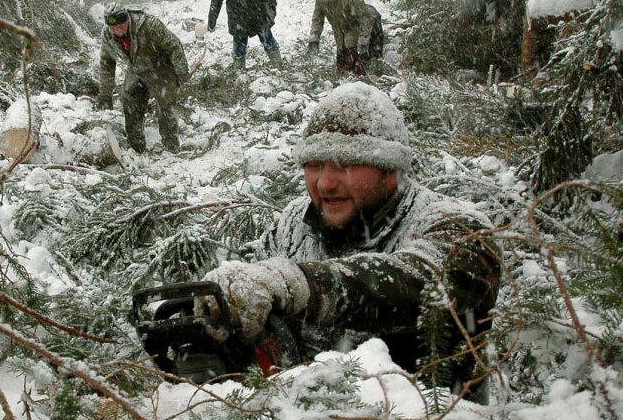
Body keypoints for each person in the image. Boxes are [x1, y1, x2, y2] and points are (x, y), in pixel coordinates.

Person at [199, 82, 501, 395]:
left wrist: (300, 285)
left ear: (392, 169)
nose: (326, 183)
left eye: (346, 164)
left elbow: (416, 284)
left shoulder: (458, 227)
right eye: (315, 165)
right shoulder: (294, 223)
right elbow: (257, 306)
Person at [97, 4, 189, 153]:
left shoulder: (150, 25)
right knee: (129, 102)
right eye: (113, 28)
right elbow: (107, 64)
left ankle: (171, 147)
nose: (117, 31)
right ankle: (136, 147)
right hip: (136, 69)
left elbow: (174, 46)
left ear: (127, 20)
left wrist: (181, 72)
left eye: (120, 26)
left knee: (166, 106)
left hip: (160, 68)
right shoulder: (107, 35)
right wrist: (105, 94)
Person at [307, 0, 384, 76]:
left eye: (323, 2)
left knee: (368, 58)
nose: (322, 4)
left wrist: (363, 40)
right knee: (343, 61)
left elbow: (366, 20)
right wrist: (314, 37)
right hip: (343, 30)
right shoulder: (321, 1)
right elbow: (317, 19)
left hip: (370, 24)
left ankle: (373, 76)